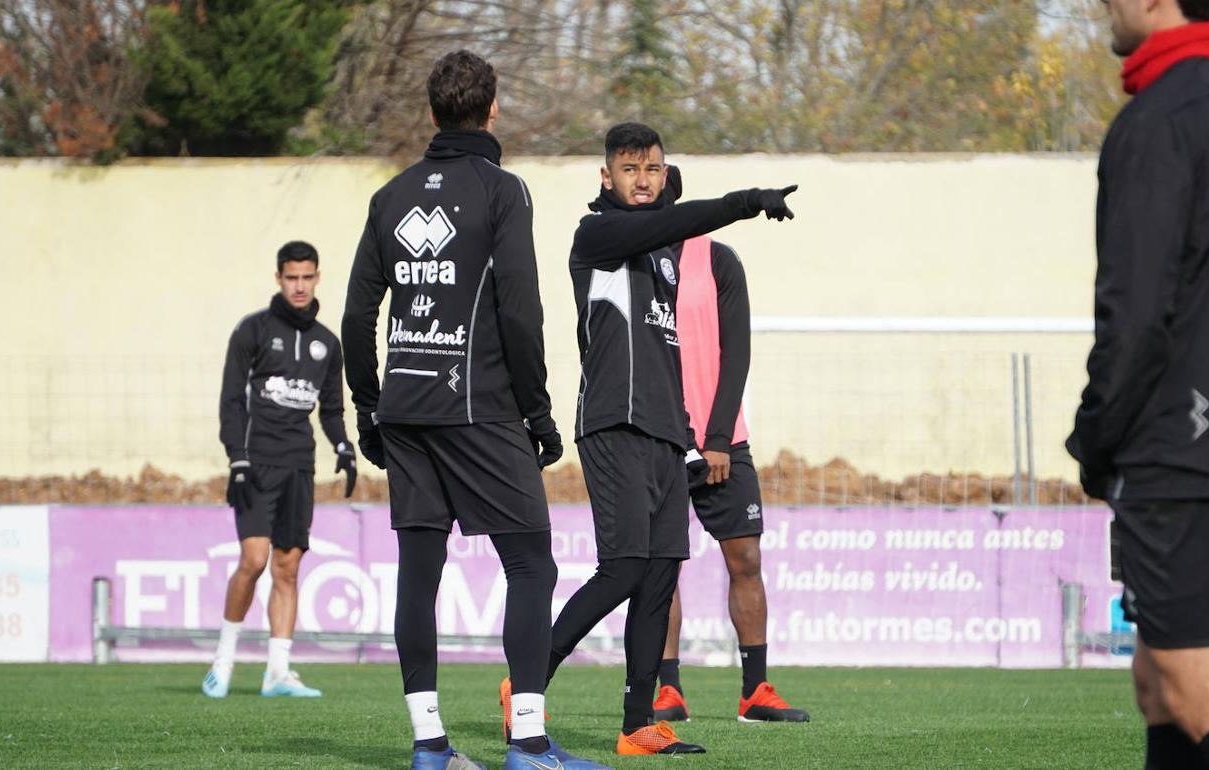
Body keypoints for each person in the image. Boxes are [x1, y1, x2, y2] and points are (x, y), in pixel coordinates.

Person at [341, 50, 607, 770]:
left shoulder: (390, 196)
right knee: (531, 565)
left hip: (405, 408)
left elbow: (358, 310)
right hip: (478, 407)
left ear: (431, 113)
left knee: (418, 572)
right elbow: (521, 309)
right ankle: (526, 743)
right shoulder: (502, 191)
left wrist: (369, 406)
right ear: (493, 110)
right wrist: (539, 412)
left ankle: (431, 747)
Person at [536, 121, 796, 756]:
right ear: (607, 177)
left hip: (663, 433)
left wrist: (690, 433)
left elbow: (669, 351)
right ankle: (528, 676)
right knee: (623, 568)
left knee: (658, 577)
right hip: (612, 423)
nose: (642, 179)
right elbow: (659, 228)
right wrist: (743, 202)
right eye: (629, 169)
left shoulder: (663, 262)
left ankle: (636, 727)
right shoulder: (596, 233)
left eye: (652, 168)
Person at [1067, 2, 1209, 768]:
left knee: (1196, 683)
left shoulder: (1161, 120)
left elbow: (1136, 315)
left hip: (1184, 446)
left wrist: (1096, 436)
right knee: (1158, 685)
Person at [651, 173, 809, 725]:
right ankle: (666, 690)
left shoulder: (717, 259)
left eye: (659, 179)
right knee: (660, 568)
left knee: (745, 560)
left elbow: (735, 352)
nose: (651, 190)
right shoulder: (628, 257)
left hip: (722, 441)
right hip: (657, 442)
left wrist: (717, 438)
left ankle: (755, 690)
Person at [205, 240, 357, 699]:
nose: (299, 286)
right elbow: (231, 399)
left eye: (307, 277)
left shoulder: (327, 343)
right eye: (291, 277)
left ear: (316, 278)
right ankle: (224, 661)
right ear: (278, 278)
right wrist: (236, 458)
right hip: (255, 463)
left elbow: (331, 409)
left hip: (298, 465)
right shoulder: (253, 331)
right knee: (252, 562)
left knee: (287, 568)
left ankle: (277, 672)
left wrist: (344, 446)